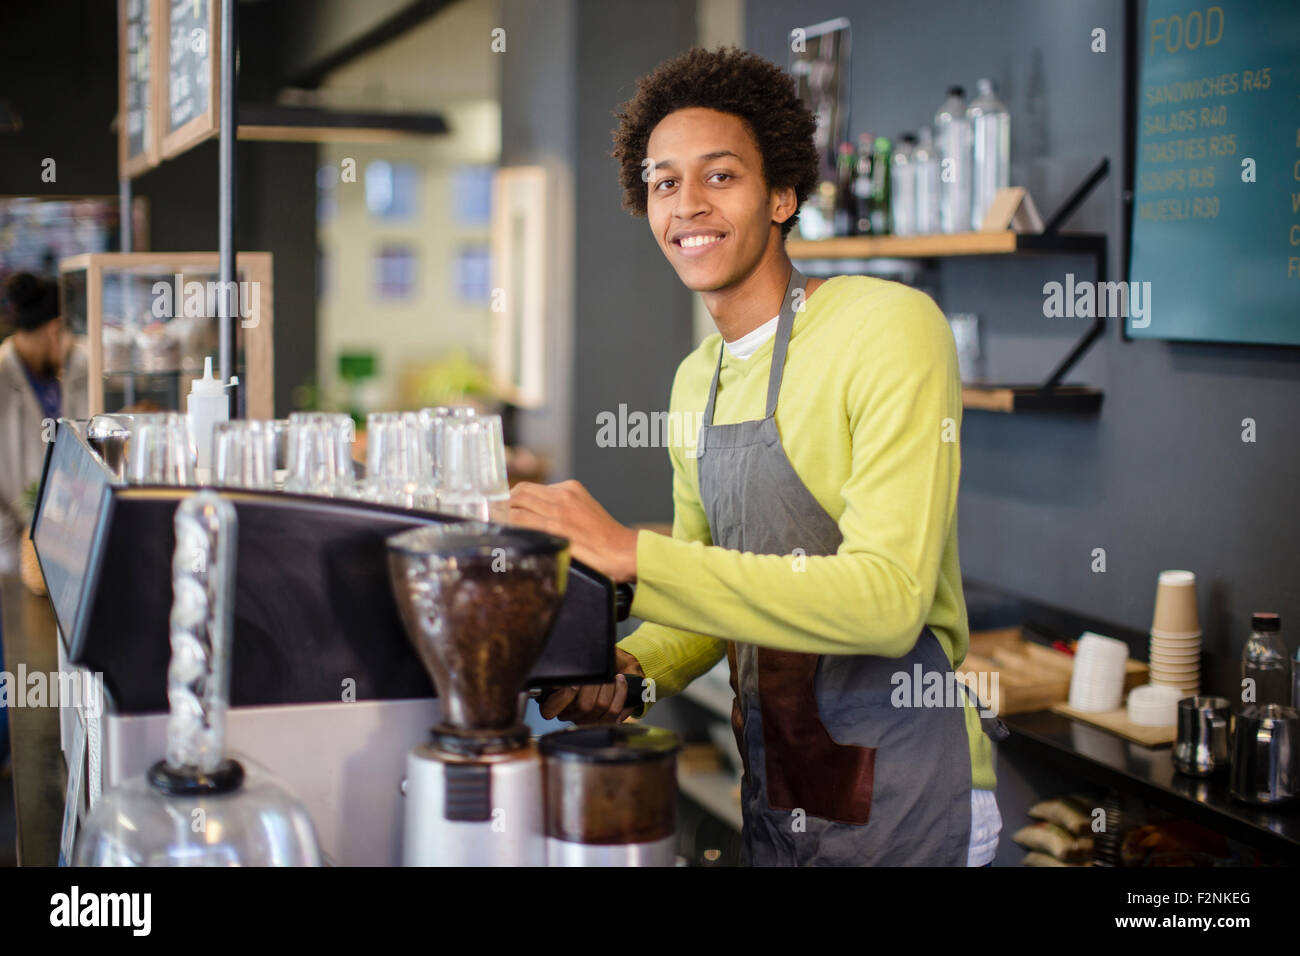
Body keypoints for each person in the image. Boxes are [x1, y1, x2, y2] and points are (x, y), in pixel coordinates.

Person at [509, 46, 1001, 866]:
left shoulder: (888, 326)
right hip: (778, 801)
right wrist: (631, 672)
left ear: (781, 195)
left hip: (912, 805)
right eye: (664, 182)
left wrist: (631, 552)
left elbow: (888, 601)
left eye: (720, 176)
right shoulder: (696, 378)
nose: (688, 203)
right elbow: (705, 586)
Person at [0, 272, 87, 764]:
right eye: (63, 330)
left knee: (55, 673)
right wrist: (17, 551)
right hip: (13, 554)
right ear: (52, 328)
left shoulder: (79, 364)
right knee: (15, 679)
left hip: (69, 545)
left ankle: (48, 758)